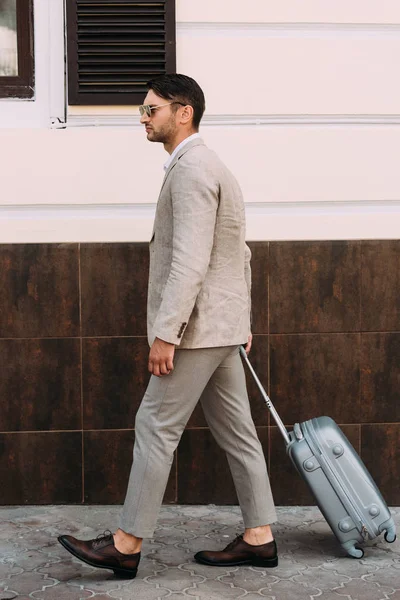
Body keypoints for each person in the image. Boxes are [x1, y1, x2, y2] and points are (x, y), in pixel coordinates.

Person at [58, 73, 278, 579]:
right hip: (220, 328)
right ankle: (260, 537)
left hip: (196, 329)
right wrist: (240, 318)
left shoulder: (192, 168)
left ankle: (126, 543)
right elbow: (237, 253)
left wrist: (167, 333)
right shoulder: (214, 165)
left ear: (184, 113)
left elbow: (191, 260)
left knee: (155, 426)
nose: (143, 117)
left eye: (151, 109)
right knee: (240, 433)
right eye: (143, 109)